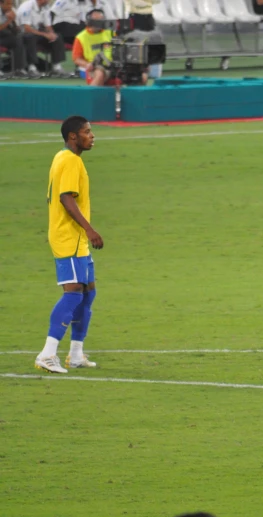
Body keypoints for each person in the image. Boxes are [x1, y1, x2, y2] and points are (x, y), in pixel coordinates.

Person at [35, 115, 104, 374]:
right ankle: (47, 353)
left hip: (76, 239)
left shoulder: (61, 157)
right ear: (73, 136)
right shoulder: (71, 161)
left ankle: (75, 354)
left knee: (88, 293)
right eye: (87, 131)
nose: (92, 135)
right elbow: (65, 197)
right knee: (74, 293)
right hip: (70, 238)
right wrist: (89, 229)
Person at [72, 8, 129, 86]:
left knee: (138, 74)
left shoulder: (110, 33)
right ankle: (89, 95)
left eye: (101, 21)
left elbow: (121, 49)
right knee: (100, 73)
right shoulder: (81, 37)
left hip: (111, 65)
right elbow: (76, 58)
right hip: (94, 66)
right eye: (96, 21)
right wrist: (87, 64)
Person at [17, 0, 70, 77]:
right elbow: (26, 29)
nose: (48, 1)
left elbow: (48, 26)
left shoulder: (45, 7)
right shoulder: (27, 7)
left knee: (57, 37)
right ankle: (32, 68)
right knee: (30, 37)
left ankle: (56, 67)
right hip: (23, 33)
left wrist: (51, 34)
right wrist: (45, 34)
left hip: (37, 31)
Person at [50, 0, 116, 44]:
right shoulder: (64, 0)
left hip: (76, 30)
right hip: (61, 27)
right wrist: (49, 31)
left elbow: (111, 20)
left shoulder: (85, 3)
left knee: (89, 30)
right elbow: (51, 13)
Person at [0, 0, 37, 78]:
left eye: (11, 4)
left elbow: (16, 30)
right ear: (1, 4)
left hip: (6, 36)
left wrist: (13, 21)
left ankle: (22, 68)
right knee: (16, 39)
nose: (10, 6)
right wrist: (9, 20)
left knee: (23, 38)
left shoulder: (12, 10)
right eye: (7, 4)